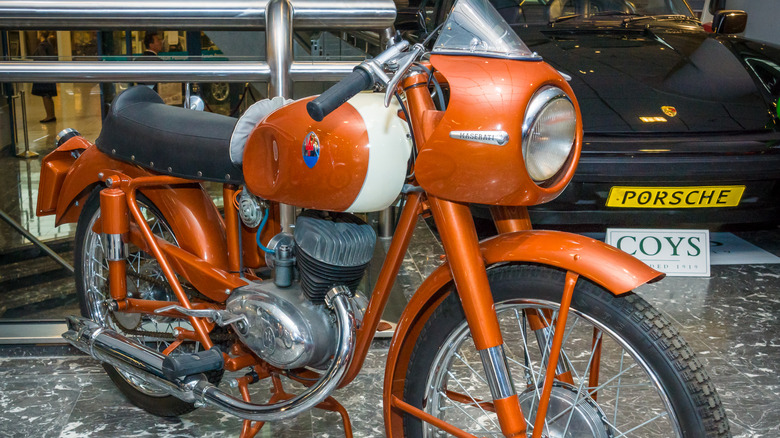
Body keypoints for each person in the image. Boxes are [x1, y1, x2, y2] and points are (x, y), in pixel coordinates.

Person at [31, 31, 57, 123]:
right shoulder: (49, 45)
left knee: (45, 95)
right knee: (48, 95)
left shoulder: (42, 46)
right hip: (49, 73)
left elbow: (42, 59)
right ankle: (51, 115)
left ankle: (49, 115)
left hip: (44, 74)